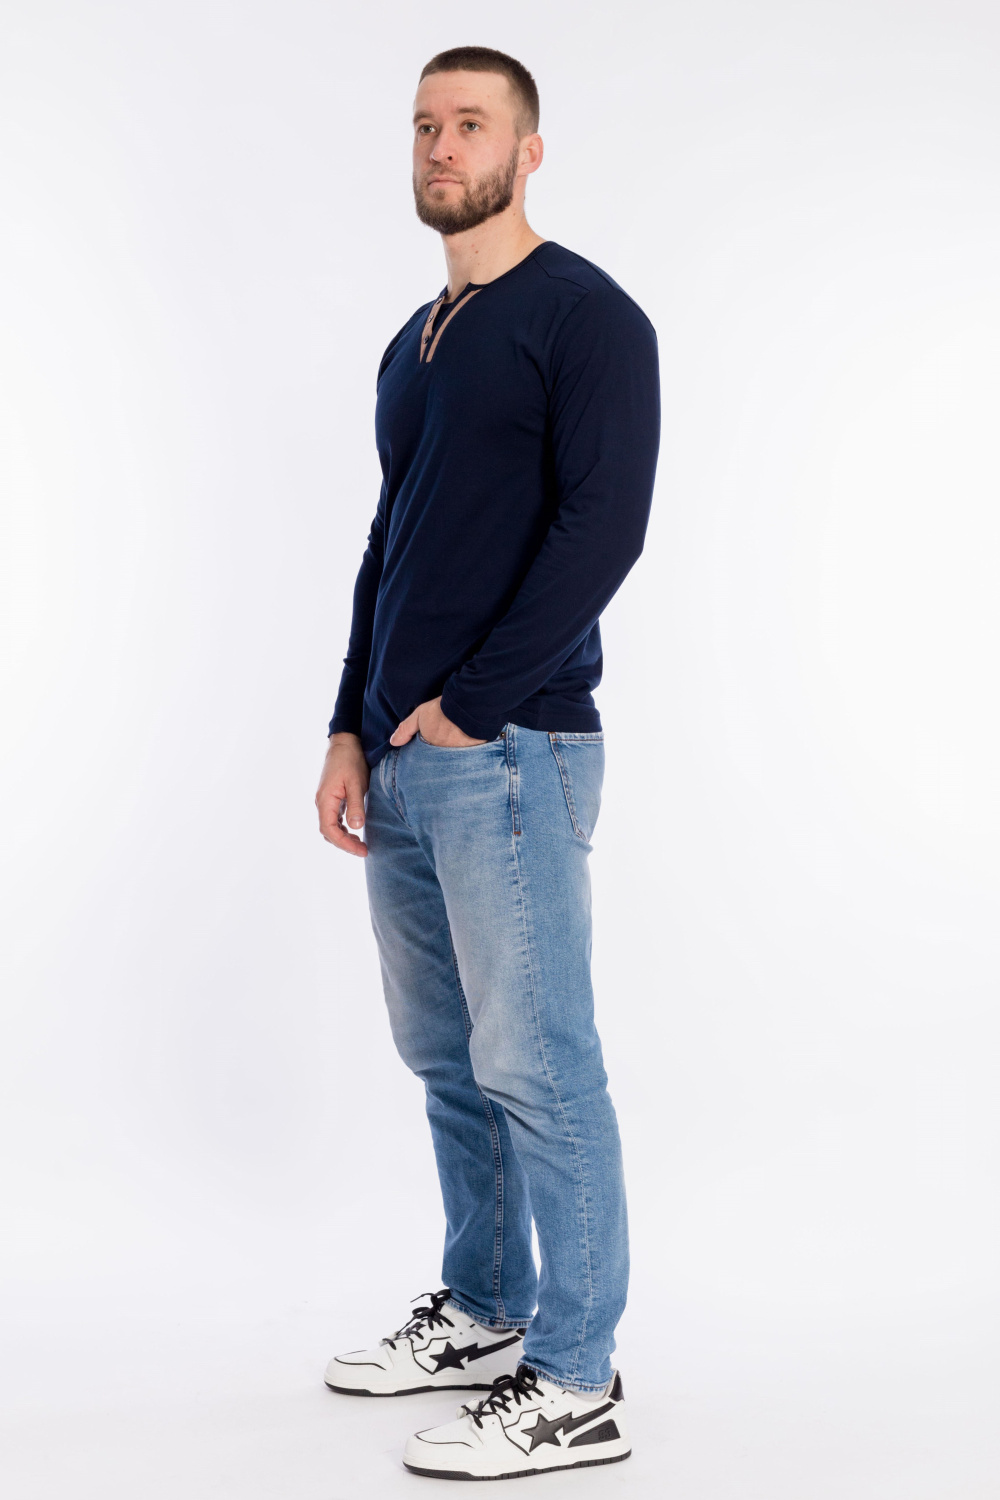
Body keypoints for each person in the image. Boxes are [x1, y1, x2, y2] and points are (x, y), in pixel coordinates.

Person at [315, 45, 660, 1481]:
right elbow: (389, 539)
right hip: (406, 758)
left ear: (528, 151)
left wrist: (469, 704)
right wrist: (351, 721)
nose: (441, 147)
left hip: (512, 747)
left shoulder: (587, 318)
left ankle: (577, 1380)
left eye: (470, 125)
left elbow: (605, 529)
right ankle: (487, 1307)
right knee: (451, 1059)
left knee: (540, 1061)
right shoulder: (417, 340)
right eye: (425, 125)